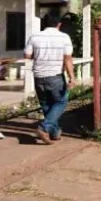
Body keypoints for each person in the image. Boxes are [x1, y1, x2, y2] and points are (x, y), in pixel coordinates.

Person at [24, 13, 75, 145]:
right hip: (56, 76)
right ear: (59, 24)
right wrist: (72, 77)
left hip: (38, 76)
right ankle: (44, 127)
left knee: (47, 105)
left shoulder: (34, 36)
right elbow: (68, 59)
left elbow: (27, 55)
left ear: (44, 24)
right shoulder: (64, 37)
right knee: (61, 102)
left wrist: (40, 55)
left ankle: (55, 132)